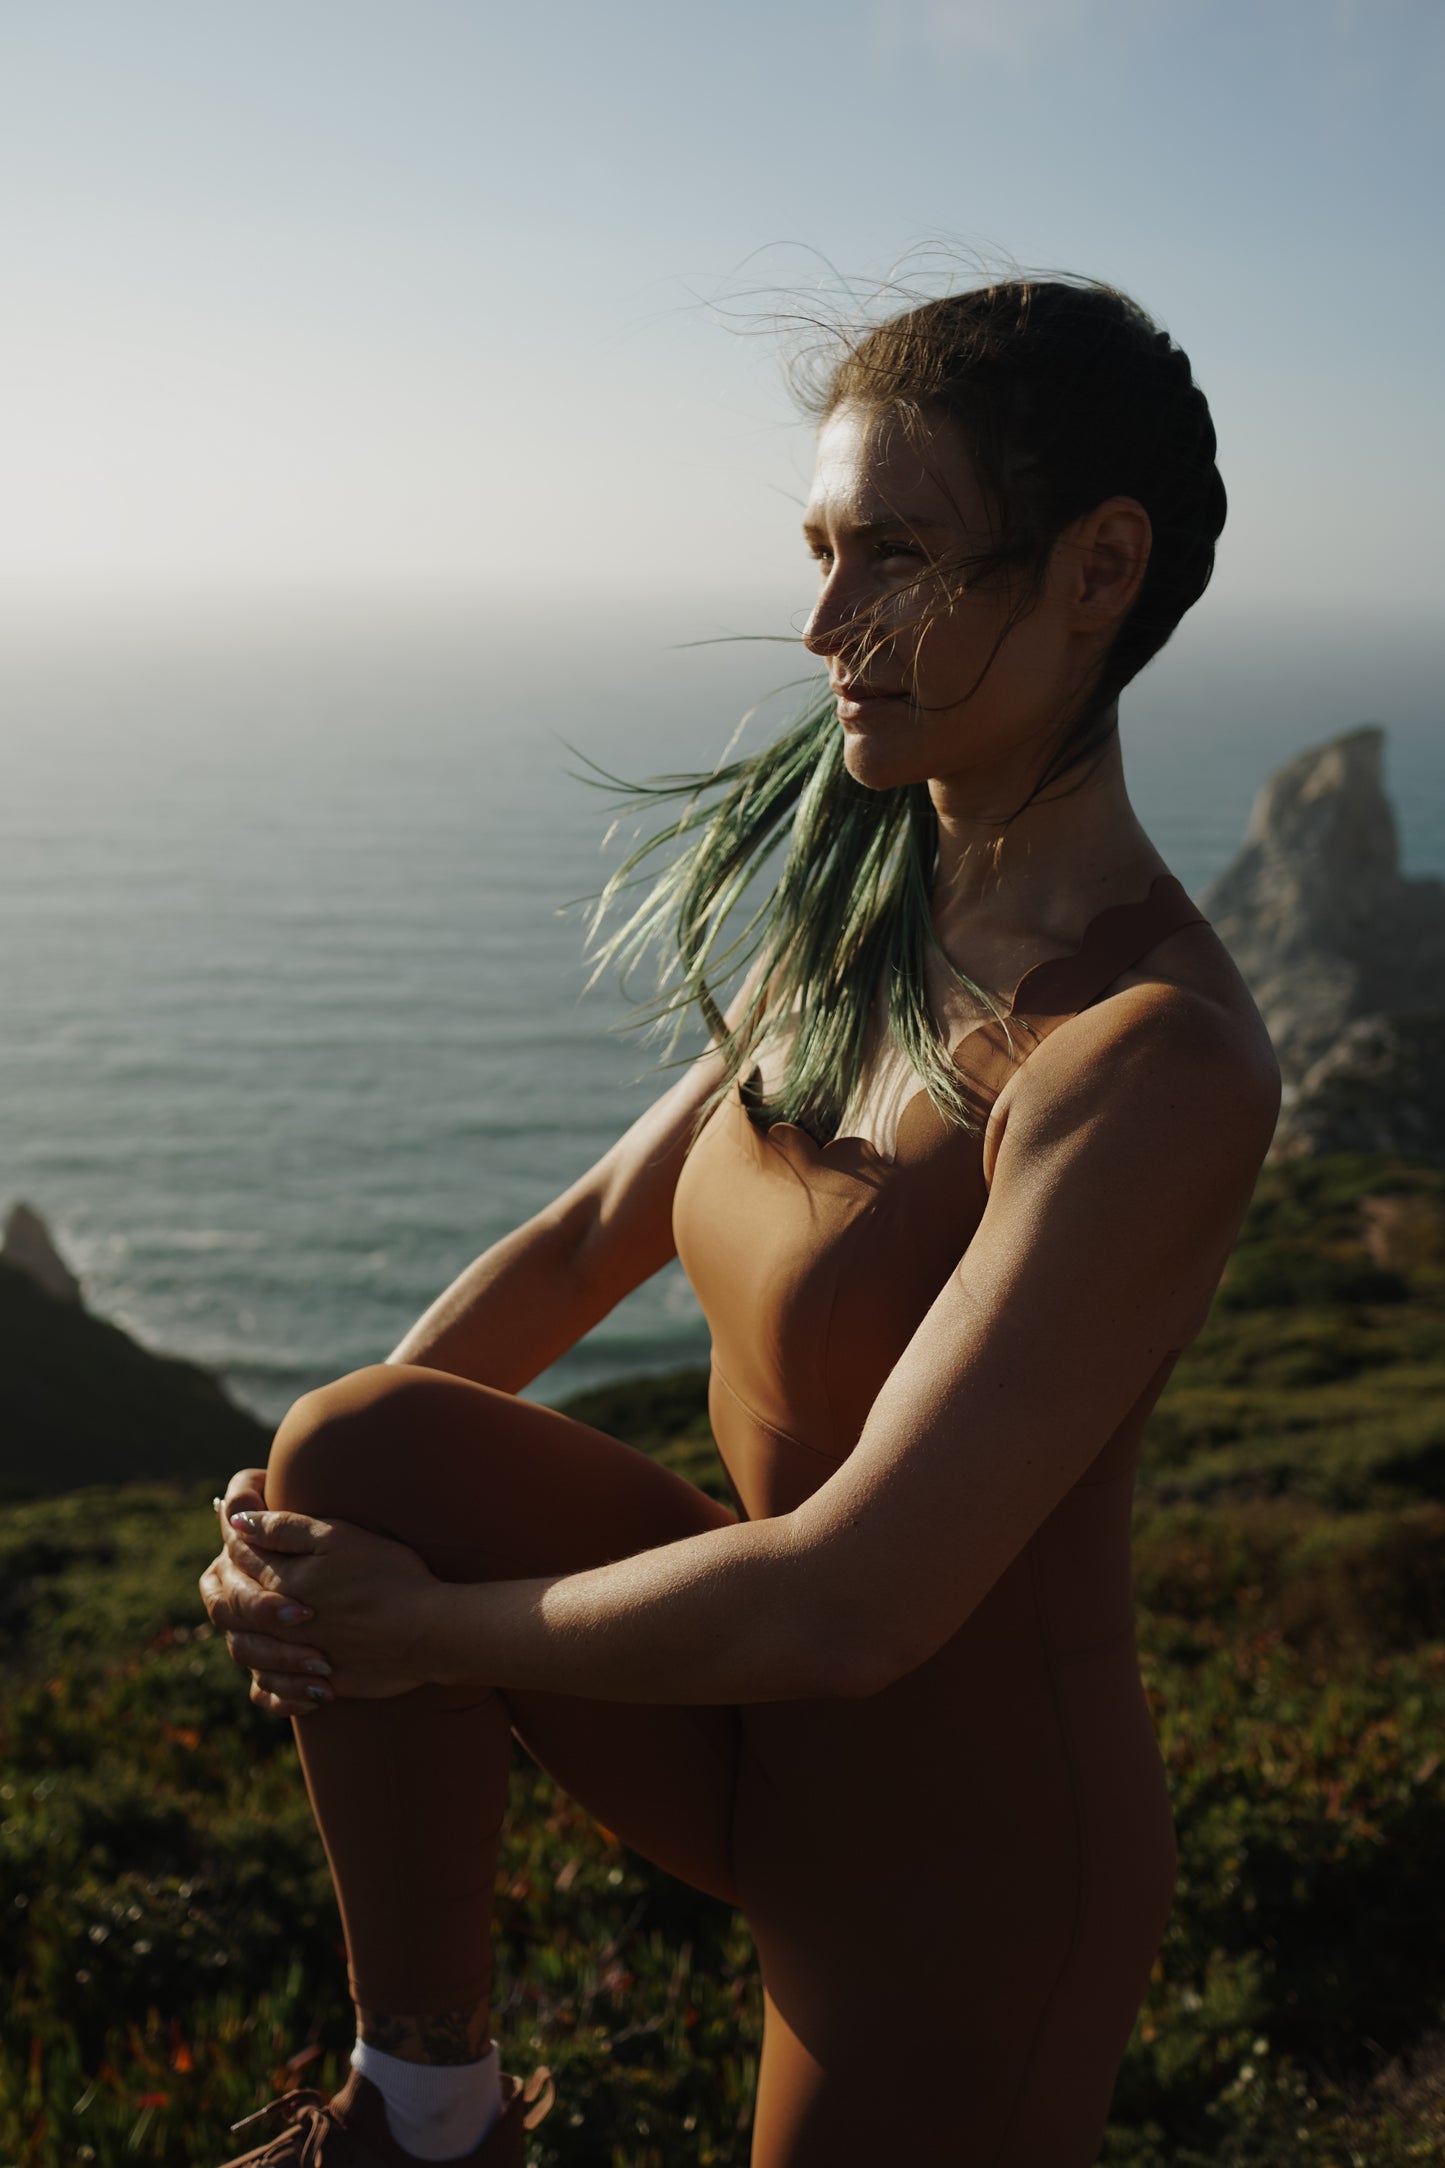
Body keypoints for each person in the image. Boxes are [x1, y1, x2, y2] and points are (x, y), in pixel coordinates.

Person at [199, 274, 1280, 2167]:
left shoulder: (1150, 1061)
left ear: (1099, 567)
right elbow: (581, 1238)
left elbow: (858, 1599)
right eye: (818, 549)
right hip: (735, 1719)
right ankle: (426, 2110)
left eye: (898, 556)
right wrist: (290, 1549)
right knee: (360, 1437)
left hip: (959, 1866)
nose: (823, 625)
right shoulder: (870, 919)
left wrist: (434, 1631)